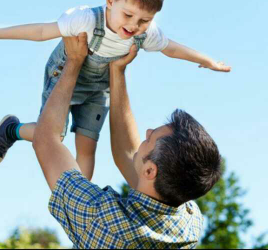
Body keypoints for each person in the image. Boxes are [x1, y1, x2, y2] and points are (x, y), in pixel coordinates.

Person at [0, 0, 230, 181]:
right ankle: (11, 130)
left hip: (100, 87)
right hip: (66, 73)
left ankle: (81, 203)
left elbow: (171, 48)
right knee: (53, 135)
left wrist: (206, 60)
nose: (134, 26)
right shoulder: (86, 19)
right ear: (110, 1)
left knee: (88, 146)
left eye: (144, 20)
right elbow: (41, 31)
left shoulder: (146, 33)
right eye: (128, 15)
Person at [34, 34, 221, 249]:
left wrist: (73, 63)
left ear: (150, 171)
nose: (148, 131)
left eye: (151, 138)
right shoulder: (187, 224)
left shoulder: (105, 223)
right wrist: (117, 71)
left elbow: (45, 139)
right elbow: (129, 153)